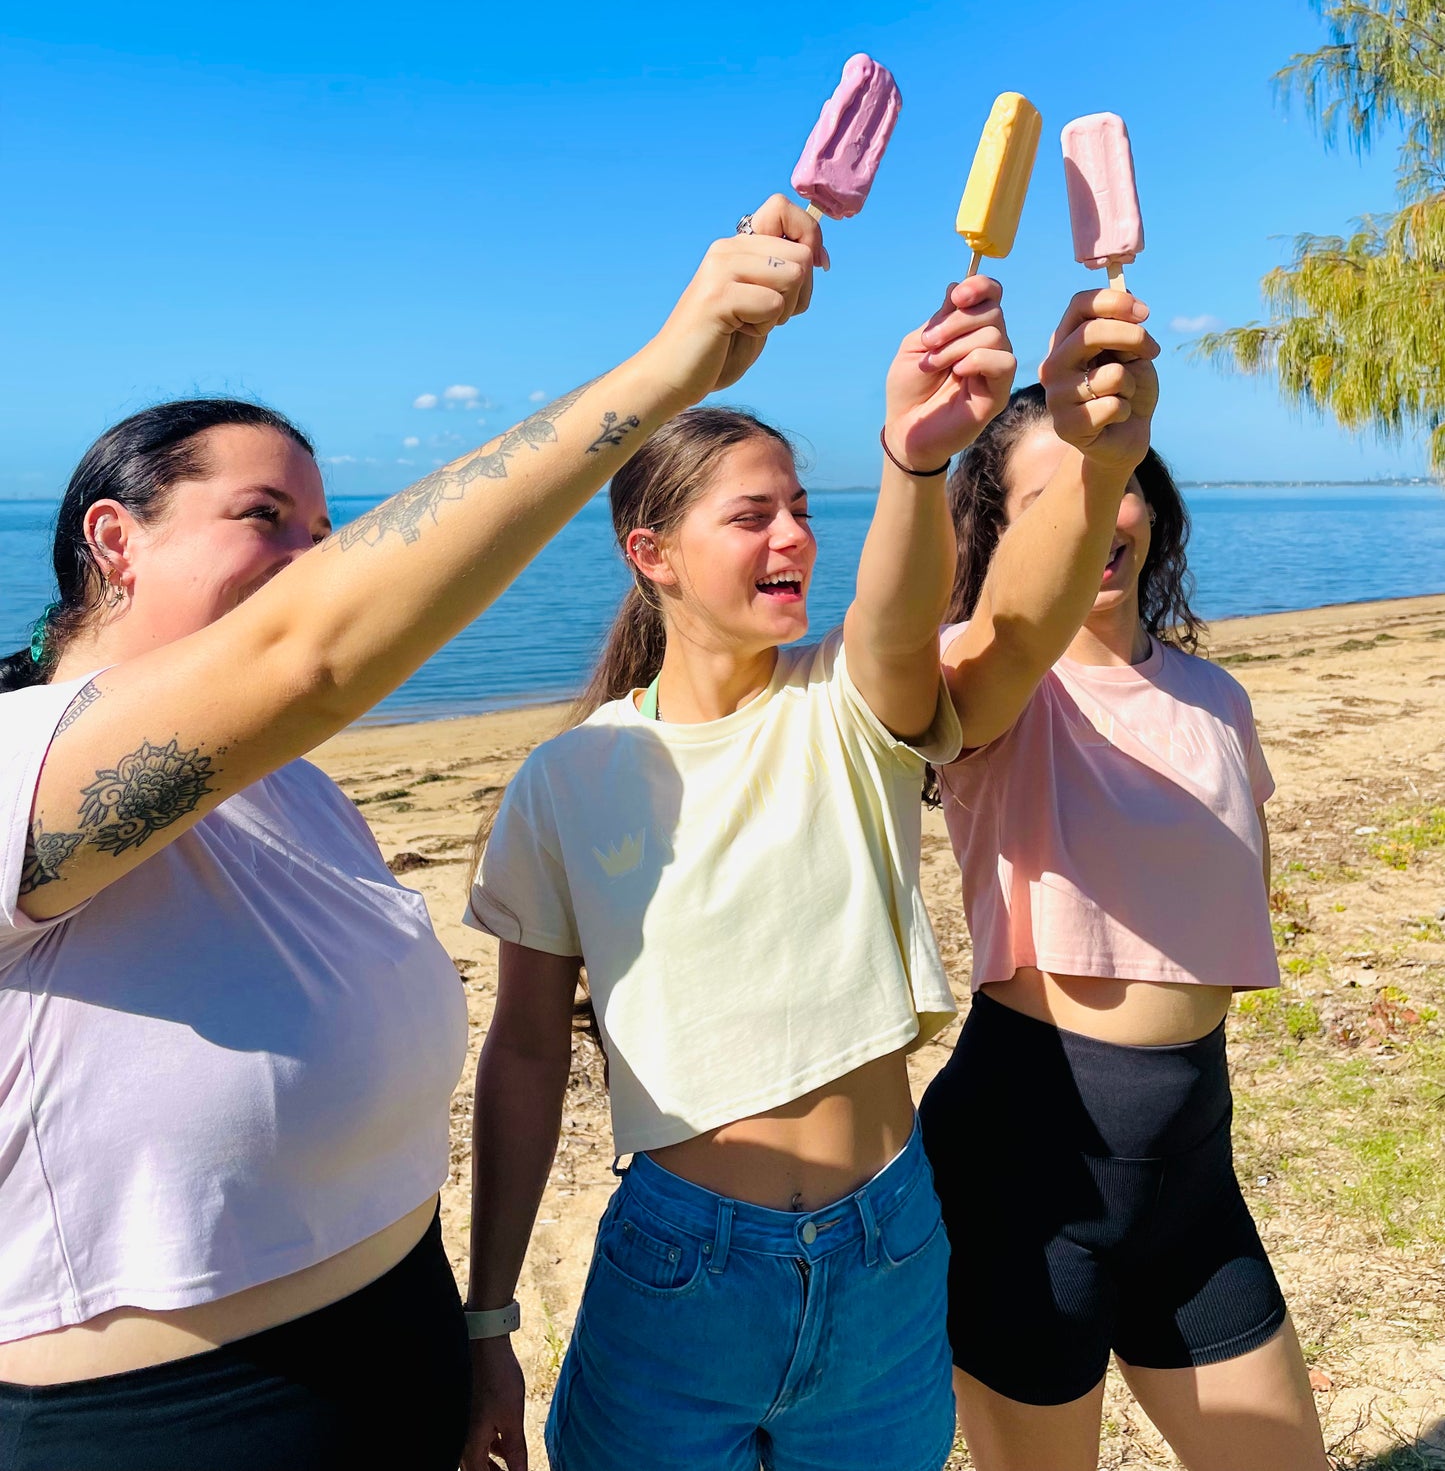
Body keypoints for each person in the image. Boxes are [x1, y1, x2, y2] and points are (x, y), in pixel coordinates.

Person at [0, 198, 821, 1471]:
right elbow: (316, 651)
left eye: (327, 536)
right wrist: (669, 371)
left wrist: (474, 1330)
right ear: (116, 538)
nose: (312, 561)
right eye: (264, 518)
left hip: (400, 1343)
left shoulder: (293, 787)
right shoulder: (24, 764)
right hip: (168, 1422)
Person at [462, 276, 1016, 1471]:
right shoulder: (566, 779)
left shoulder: (845, 700)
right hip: (679, 1267)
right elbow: (522, 1047)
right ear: (648, 552)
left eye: (803, 509)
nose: (794, 537)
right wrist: (489, 1315)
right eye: (752, 515)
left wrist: (916, 467)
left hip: (888, 1242)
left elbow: (898, 604)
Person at [919, 288, 1329, 1471]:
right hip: (1030, 1162)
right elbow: (968, 662)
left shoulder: (1213, 697)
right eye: (1047, 495)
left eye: (1113, 479)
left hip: (1193, 1157)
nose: (1097, 515)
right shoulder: (989, 679)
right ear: (996, 532)